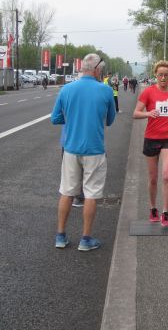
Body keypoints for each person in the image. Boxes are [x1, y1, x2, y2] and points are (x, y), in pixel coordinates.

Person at [50, 54, 116, 251]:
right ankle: (85, 239)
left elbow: (55, 119)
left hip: (70, 148)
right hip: (94, 150)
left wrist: (73, 119)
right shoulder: (105, 90)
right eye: (101, 70)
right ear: (96, 69)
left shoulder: (67, 89)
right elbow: (110, 120)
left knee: (67, 192)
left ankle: (60, 236)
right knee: (91, 194)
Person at [133, 60, 168, 227]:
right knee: (152, 179)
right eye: (160, 75)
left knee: (166, 175)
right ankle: (153, 208)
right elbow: (136, 113)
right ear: (155, 75)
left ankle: (165, 212)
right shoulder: (148, 92)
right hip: (151, 137)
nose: (163, 78)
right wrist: (149, 113)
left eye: (166, 75)